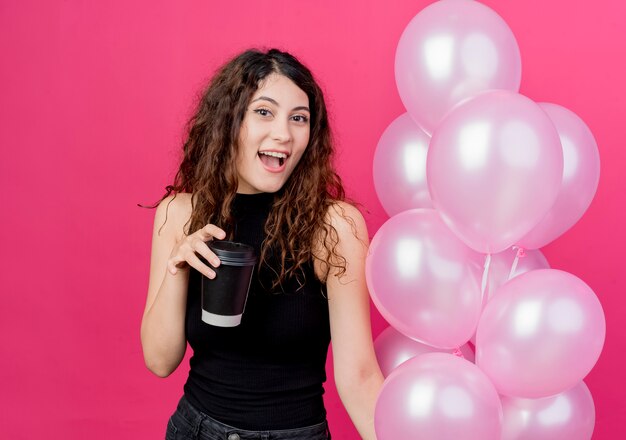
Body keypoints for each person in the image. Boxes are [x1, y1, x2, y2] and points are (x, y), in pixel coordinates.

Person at [141, 48, 383, 440]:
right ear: (229, 121)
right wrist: (177, 267)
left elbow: (359, 377)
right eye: (264, 112)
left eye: (298, 118)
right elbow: (159, 360)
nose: (283, 134)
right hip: (197, 430)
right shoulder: (179, 214)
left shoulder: (333, 226)